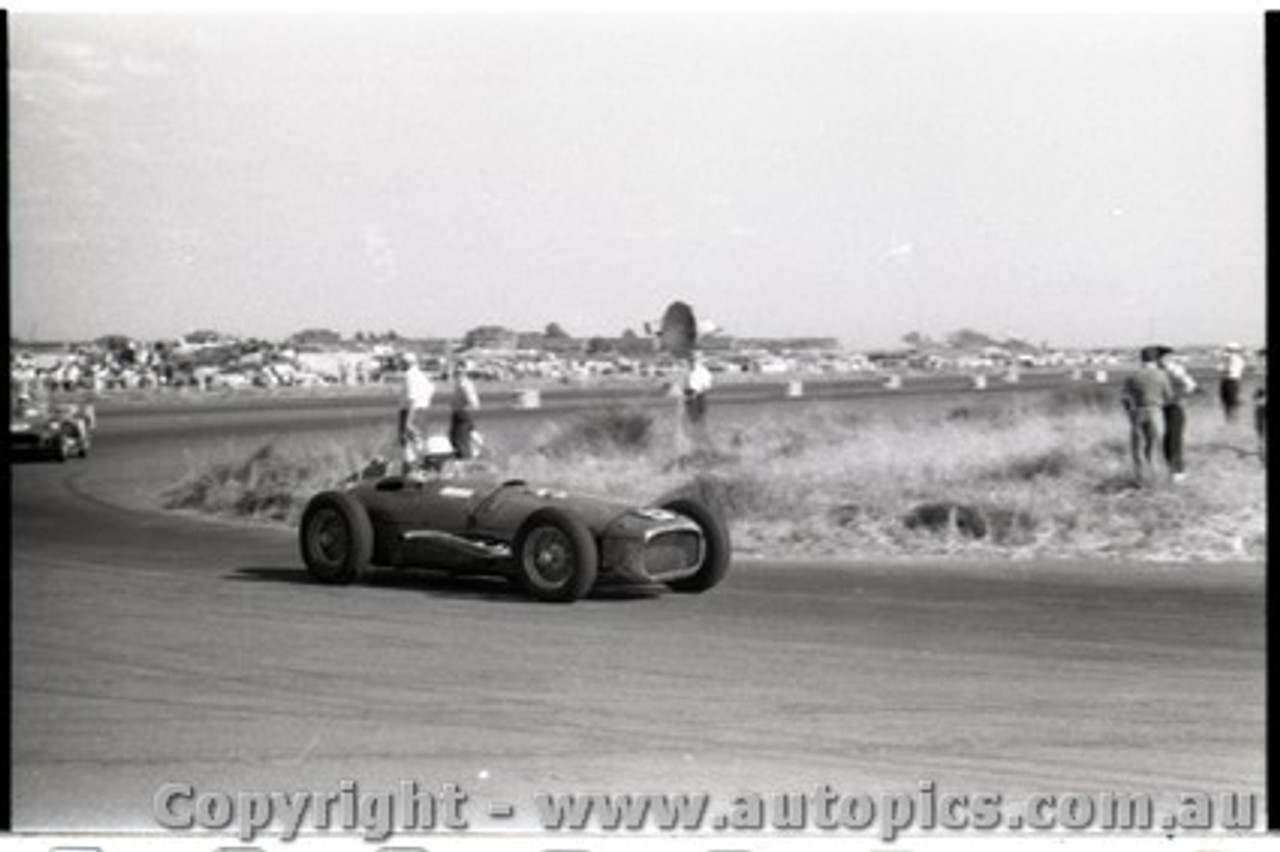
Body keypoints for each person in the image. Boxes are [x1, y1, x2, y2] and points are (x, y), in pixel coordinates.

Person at [1121, 346, 1175, 486]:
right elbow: (1169, 396)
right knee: (1155, 447)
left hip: (1137, 412)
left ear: (1142, 359)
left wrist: (1130, 412)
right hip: (1155, 412)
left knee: (1138, 449)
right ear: (1155, 359)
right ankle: (1155, 480)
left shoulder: (1133, 376)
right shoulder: (1161, 375)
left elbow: (1125, 398)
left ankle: (1140, 480)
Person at [1155, 345, 1197, 482]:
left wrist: (1179, 397)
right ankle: (1171, 471)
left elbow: (1190, 385)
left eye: (1161, 357)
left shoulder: (1174, 369)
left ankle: (1178, 473)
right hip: (1163, 408)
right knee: (1167, 440)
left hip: (1174, 407)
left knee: (1174, 440)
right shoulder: (1158, 370)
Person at [397, 352, 434, 466]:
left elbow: (412, 399)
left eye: (401, 362)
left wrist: (408, 421)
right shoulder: (421, 375)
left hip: (411, 413)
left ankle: (412, 472)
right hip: (423, 412)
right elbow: (431, 390)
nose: (400, 365)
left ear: (407, 363)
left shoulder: (409, 376)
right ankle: (424, 469)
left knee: (408, 444)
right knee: (421, 443)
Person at [447, 360, 481, 460]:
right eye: (456, 369)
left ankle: (466, 464)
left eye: (460, 370)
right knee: (453, 439)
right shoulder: (458, 383)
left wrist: (464, 408)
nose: (457, 371)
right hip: (456, 414)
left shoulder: (465, 384)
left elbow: (474, 403)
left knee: (461, 442)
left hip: (462, 415)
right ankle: (460, 463)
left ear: (465, 371)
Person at [682, 350, 713, 429]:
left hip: (698, 396)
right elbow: (684, 384)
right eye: (690, 360)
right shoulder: (688, 370)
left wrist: (697, 393)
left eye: (692, 360)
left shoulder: (703, 371)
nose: (691, 362)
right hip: (690, 395)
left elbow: (707, 385)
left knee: (699, 417)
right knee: (691, 417)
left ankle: (698, 430)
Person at [1219, 342, 1247, 423]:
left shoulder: (1236, 360)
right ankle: (1230, 420)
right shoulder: (1231, 360)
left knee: (1230, 402)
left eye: (1228, 350)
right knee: (1227, 401)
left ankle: (1232, 420)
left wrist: (1222, 369)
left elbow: (1230, 371)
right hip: (1230, 381)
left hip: (1231, 381)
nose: (1226, 352)